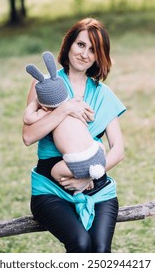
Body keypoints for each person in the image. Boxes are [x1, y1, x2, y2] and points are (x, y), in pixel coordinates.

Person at [22, 17, 126, 253]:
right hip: (51, 190)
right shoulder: (47, 86)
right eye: (80, 45)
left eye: (93, 50)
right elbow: (28, 136)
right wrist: (65, 108)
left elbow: (118, 150)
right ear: (69, 44)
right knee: (80, 244)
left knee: (99, 251)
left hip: (97, 189)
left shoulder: (103, 94)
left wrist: (88, 178)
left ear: (99, 57)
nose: (84, 54)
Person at [23, 51, 107, 193]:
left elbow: (27, 118)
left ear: (43, 104)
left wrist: (36, 101)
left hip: (77, 163)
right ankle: (92, 174)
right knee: (100, 146)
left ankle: (80, 185)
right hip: (97, 153)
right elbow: (91, 116)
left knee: (55, 172)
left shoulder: (44, 112)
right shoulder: (75, 104)